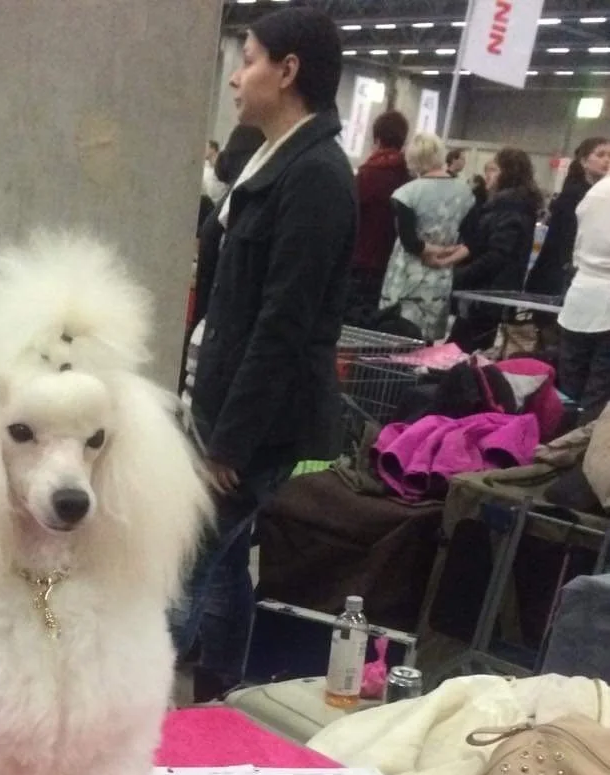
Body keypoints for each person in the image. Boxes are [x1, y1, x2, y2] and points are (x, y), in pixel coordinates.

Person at [177, 4, 356, 700]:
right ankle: (221, 698)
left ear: (287, 71)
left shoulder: (315, 177)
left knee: (179, 574)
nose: (233, 78)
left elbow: (282, 326)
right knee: (221, 568)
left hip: (251, 426)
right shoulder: (267, 158)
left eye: (246, 59)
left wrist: (229, 444)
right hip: (222, 404)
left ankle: (142, 736)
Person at [441, 149, 542, 352]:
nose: (487, 174)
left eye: (493, 170)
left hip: (486, 295)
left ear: (509, 173)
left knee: (458, 352)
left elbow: (497, 254)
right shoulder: (510, 206)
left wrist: (459, 276)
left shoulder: (510, 208)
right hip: (488, 294)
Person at [380, 132, 474, 342]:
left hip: (406, 278)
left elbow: (410, 243)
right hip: (440, 279)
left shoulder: (406, 194)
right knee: (428, 343)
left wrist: (432, 252)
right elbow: (472, 241)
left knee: (397, 339)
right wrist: (447, 256)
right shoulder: (466, 193)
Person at [557, 168, 610, 420]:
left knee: (567, 395)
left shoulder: (595, 192)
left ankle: (555, 451)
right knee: (597, 400)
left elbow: (576, 252)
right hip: (606, 309)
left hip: (579, 300)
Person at [526, 136, 610, 297]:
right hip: (562, 273)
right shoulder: (573, 195)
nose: (606, 160)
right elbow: (566, 240)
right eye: (600, 155)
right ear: (584, 161)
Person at [349, 110, 411, 319]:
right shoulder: (409, 178)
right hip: (395, 268)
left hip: (360, 263)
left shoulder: (365, 175)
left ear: (376, 139)